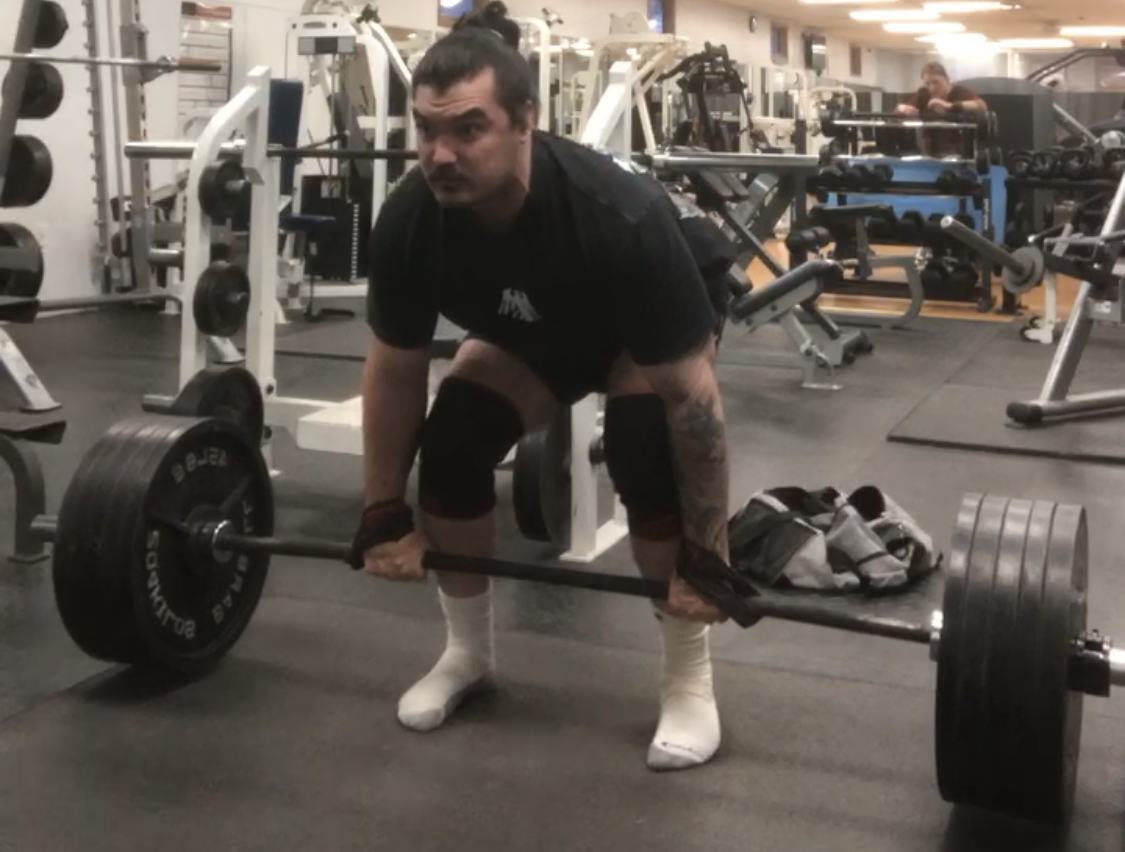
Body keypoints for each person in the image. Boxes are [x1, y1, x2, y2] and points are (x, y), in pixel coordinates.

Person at [348, 1, 734, 771]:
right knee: (453, 447)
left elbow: (692, 403)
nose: (441, 154)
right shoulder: (411, 220)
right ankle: (467, 656)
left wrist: (710, 556)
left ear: (524, 121)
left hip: (636, 329)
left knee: (642, 447)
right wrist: (382, 510)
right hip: (532, 325)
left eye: (468, 130)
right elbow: (394, 369)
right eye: (427, 131)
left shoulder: (617, 219)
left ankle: (689, 680)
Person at [894, 61, 988, 156]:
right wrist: (902, 109)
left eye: (936, 82)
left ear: (947, 79)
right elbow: (903, 109)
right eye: (927, 84)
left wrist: (949, 106)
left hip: (957, 152)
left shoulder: (959, 91)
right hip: (930, 152)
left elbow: (982, 105)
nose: (932, 88)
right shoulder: (924, 94)